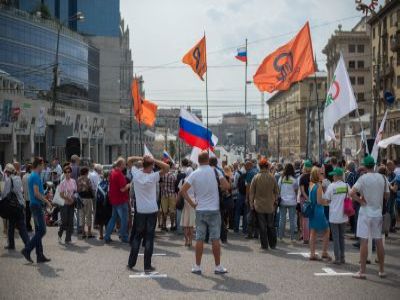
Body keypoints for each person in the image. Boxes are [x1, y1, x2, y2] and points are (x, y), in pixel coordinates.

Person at [180, 151, 229, 275]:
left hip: (200, 209)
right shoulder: (215, 171)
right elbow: (227, 186)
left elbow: (183, 190)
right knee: (215, 239)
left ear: (198, 160)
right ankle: (218, 266)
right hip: (214, 209)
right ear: (208, 159)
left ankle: (197, 266)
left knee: (200, 238)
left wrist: (192, 203)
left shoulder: (194, 174)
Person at [127, 155, 170, 272]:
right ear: (151, 165)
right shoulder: (153, 176)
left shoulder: (136, 173)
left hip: (140, 210)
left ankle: (131, 263)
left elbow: (129, 160)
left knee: (137, 237)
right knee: (149, 238)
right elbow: (167, 167)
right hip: (151, 210)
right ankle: (147, 265)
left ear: (142, 164)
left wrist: (141, 158)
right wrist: (153, 159)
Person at [350, 155, 389, 279]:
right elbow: (387, 195)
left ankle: (362, 271)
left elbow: (351, 193)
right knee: (379, 241)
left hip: (365, 212)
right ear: (374, 165)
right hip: (377, 212)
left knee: (364, 242)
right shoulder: (382, 177)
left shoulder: (363, 178)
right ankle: (382, 270)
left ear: (365, 166)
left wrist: (360, 201)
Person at [21, 157, 52, 263]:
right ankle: (27, 249)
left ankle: (39, 255)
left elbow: (38, 192)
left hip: (34, 205)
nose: (44, 166)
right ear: (39, 165)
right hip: (36, 205)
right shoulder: (35, 176)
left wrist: (44, 195)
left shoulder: (33, 175)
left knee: (39, 231)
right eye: (43, 164)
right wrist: (47, 201)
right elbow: (36, 193)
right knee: (42, 230)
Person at [249, 158, 279, 250]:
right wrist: (275, 201)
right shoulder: (272, 177)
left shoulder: (256, 177)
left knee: (262, 227)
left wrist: (251, 204)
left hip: (259, 206)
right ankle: (273, 244)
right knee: (271, 225)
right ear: (267, 166)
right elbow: (277, 192)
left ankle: (264, 245)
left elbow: (251, 192)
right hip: (270, 205)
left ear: (260, 166)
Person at [323, 168, 349, 264]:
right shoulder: (346, 186)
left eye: (334, 175)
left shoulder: (331, 186)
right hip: (344, 215)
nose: (332, 176)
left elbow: (326, 199)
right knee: (342, 237)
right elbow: (349, 198)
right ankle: (342, 257)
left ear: (338, 176)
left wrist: (332, 202)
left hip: (334, 215)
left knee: (336, 237)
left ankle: (337, 258)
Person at [1, 164, 29, 250]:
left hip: (13, 206)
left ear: (8, 172)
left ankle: (12, 244)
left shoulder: (9, 180)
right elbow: (20, 191)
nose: (6, 173)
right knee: (20, 226)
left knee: (13, 226)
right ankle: (26, 243)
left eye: (6, 172)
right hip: (20, 205)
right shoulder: (18, 178)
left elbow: (5, 193)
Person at [104, 157, 130, 243]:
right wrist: (129, 185)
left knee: (113, 218)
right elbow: (122, 189)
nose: (125, 165)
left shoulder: (112, 172)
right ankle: (124, 236)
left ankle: (107, 236)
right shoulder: (119, 174)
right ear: (121, 165)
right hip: (121, 200)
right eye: (124, 164)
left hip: (114, 199)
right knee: (124, 219)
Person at [308, 167, 331, 261]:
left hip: (312, 210)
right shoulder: (318, 186)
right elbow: (319, 201)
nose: (323, 175)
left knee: (313, 232)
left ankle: (312, 253)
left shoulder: (311, 185)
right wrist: (328, 203)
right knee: (326, 230)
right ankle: (324, 252)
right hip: (318, 210)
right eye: (321, 174)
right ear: (317, 175)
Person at [278, 163, 298, 241]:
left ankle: (280, 237)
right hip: (292, 201)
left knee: (282, 219)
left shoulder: (281, 178)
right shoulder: (294, 180)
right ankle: (292, 238)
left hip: (283, 201)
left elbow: (278, 189)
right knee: (292, 219)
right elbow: (296, 190)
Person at [57, 165, 76, 244]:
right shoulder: (62, 183)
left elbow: (75, 191)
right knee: (64, 221)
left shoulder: (73, 181)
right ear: (64, 173)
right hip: (64, 204)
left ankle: (68, 239)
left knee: (70, 221)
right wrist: (69, 199)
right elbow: (61, 195)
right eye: (66, 172)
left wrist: (73, 198)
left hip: (71, 203)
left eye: (69, 172)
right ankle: (60, 233)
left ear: (71, 173)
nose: (67, 173)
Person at [159, 161, 177, 231]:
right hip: (172, 194)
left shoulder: (162, 175)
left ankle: (164, 225)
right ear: (171, 166)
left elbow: (160, 184)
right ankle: (172, 226)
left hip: (164, 194)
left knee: (164, 211)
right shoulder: (173, 175)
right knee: (172, 211)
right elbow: (175, 185)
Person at [77, 167, 94, 238]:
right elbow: (90, 188)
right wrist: (85, 185)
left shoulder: (78, 179)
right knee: (88, 215)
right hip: (88, 198)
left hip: (81, 199)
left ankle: (83, 233)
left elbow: (77, 189)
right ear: (86, 172)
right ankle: (89, 233)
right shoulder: (88, 179)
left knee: (82, 215)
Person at [95, 171, 112, 240]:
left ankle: (101, 235)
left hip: (99, 204)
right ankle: (108, 236)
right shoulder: (109, 183)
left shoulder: (99, 183)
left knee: (100, 220)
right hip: (107, 203)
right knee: (108, 220)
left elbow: (96, 193)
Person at [299, 160, 312, 243]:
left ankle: (305, 238)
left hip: (304, 199)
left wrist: (307, 198)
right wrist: (311, 198)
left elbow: (302, 191)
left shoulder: (302, 177)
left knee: (305, 219)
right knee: (311, 219)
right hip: (312, 199)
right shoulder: (314, 177)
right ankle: (311, 237)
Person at [245, 160, 259, 239]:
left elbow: (248, 186)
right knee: (257, 216)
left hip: (252, 197)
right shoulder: (257, 171)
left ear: (249, 166)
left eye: (246, 166)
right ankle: (256, 234)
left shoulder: (249, 173)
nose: (245, 168)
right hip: (258, 196)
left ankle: (250, 233)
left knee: (250, 216)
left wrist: (246, 197)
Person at [233, 163, 247, 234]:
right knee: (245, 213)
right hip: (247, 195)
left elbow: (235, 184)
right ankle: (245, 229)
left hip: (240, 194)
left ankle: (236, 229)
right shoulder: (249, 173)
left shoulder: (237, 173)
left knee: (237, 212)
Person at [22, 164, 33, 232]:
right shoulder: (31, 176)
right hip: (32, 197)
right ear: (30, 169)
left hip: (26, 197)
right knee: (31, 213)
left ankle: (27, 226)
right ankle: (28, 226)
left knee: (27, 213)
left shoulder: (23, 176)